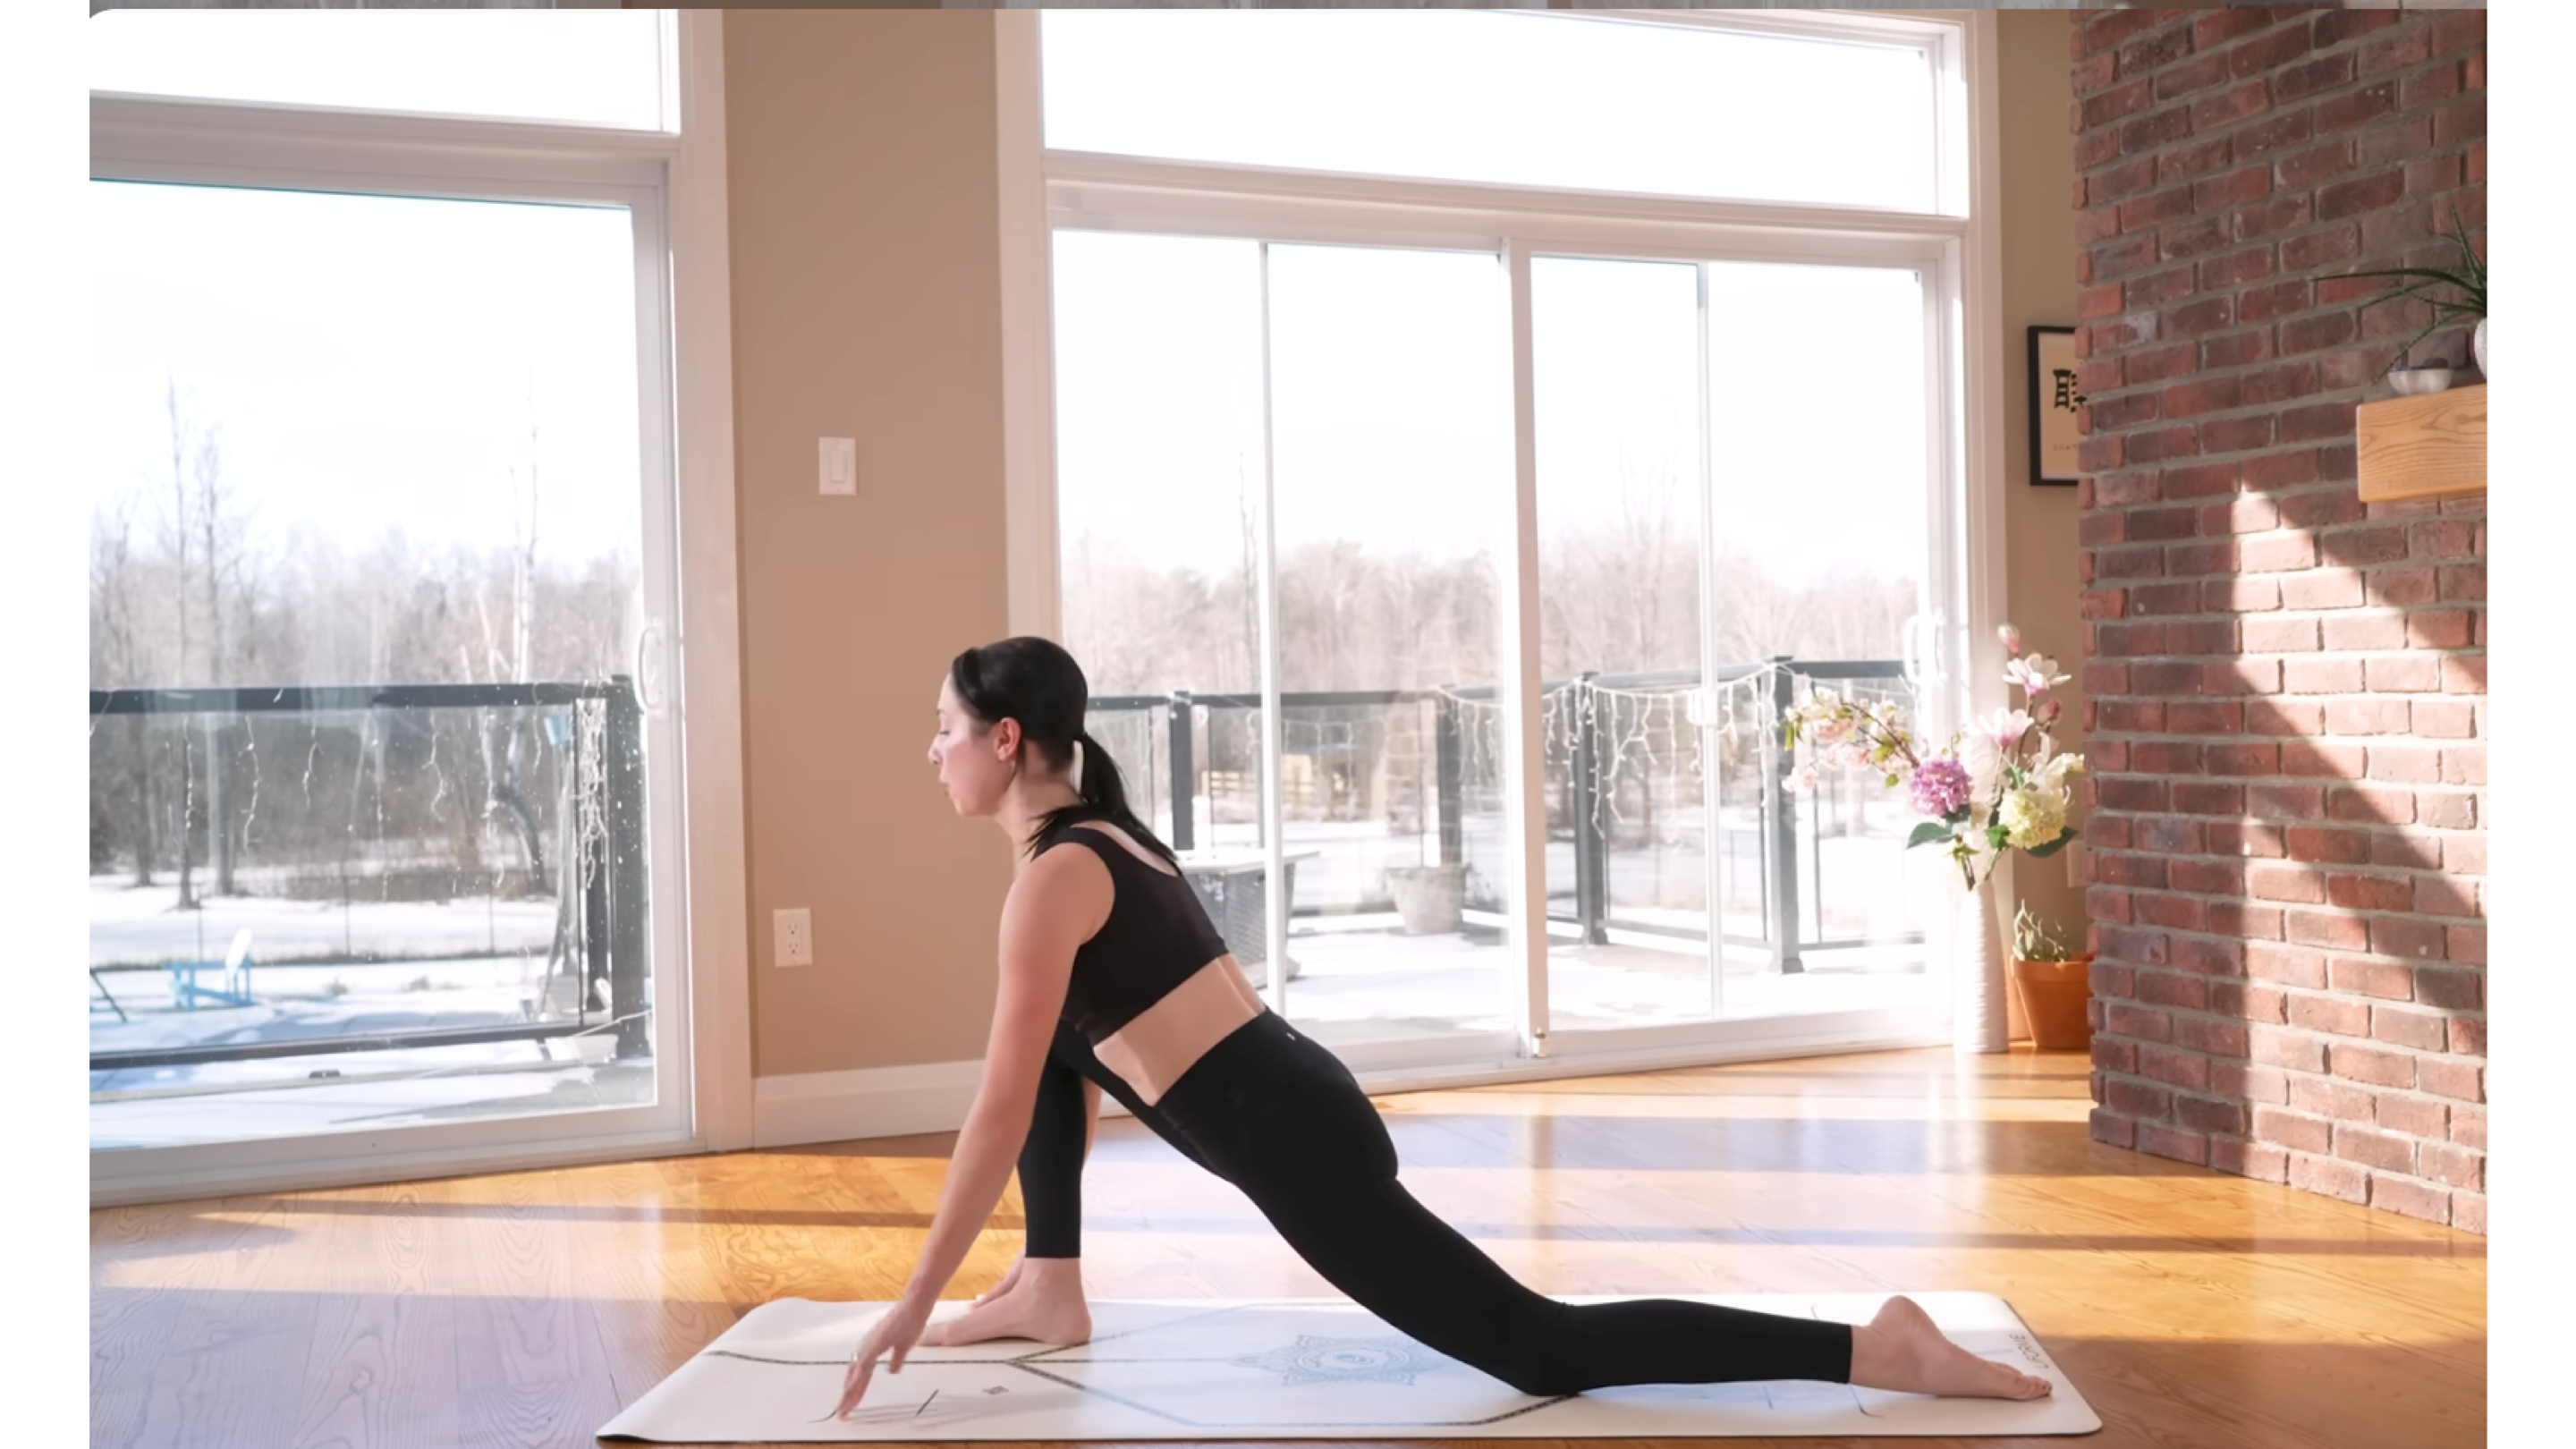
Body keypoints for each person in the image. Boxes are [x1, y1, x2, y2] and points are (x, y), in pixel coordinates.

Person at [834, 637, 2052, 1419]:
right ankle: (1051, 1285)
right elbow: (1047, 1067)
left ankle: (1872, 1349)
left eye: (943, 728)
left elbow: (996, 1115)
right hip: (1305, 1099)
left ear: (1005, 741)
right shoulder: (1107, 837)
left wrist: (912, 1297)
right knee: (1047, 1036)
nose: (930, 751)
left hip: (1300, 1148)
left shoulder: (1053, 878)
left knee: (1540, 1349)